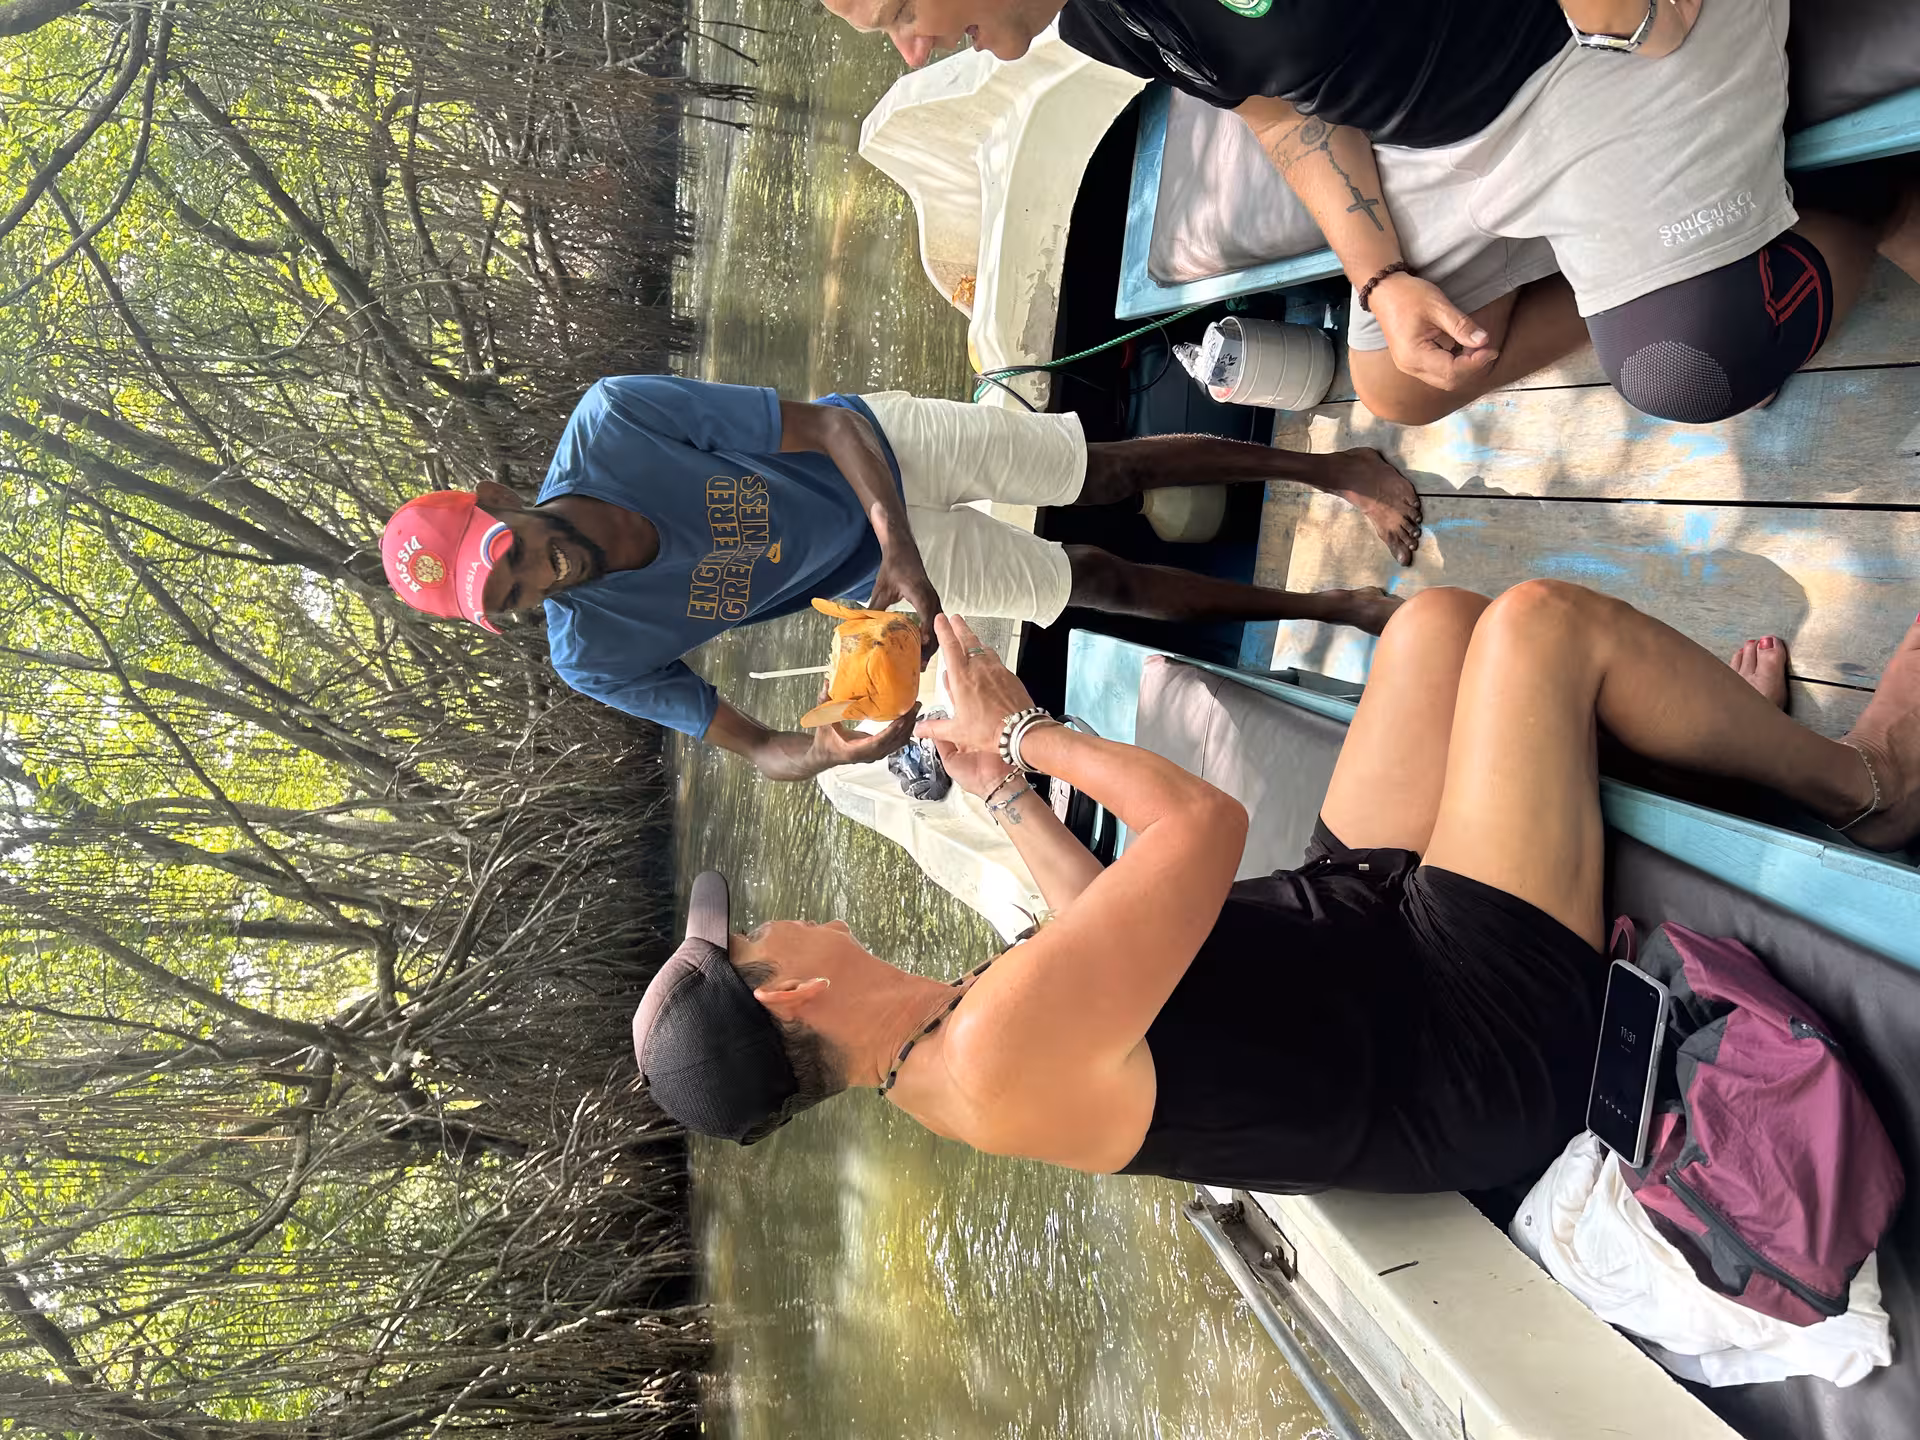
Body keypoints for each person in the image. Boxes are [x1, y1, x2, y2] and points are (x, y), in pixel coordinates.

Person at [629, 595, 1920, 1191]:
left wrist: (1000, 792)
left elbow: (1102, 943)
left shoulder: (940, 1042)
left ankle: (1716, 748)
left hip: (1360, 945)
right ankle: (1866, 788)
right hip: (1470, 1040)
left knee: (1434, 630)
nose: (766, 920)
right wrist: (1027, 732)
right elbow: (1200, 821)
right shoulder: (984, 1060)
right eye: (746, 940)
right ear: (787, 987)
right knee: (1539, 634)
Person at [823, 0, 1920, 427]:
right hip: (1446, 137)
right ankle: (1616, 270)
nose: (911, 54)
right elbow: (1282, 115)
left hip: (1601, 44)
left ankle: (1865, 200)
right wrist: (1382, 276)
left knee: (1691, 366)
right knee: (1393, 384)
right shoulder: (1097, 19)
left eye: (903, 15)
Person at [381, 374, 1417, 781]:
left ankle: (1336, 470)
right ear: (507, 619)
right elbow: (761, 748)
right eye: (512, 593)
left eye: (507, 548)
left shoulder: (617, 421)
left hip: (874, 454)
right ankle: (1343, 605)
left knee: (1106, 472)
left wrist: (901, 543)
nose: (535, 572)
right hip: (865, 582)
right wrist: (840, 745)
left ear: (498, 497)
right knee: (1097, 584)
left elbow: (827, 425)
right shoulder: (593, 653)